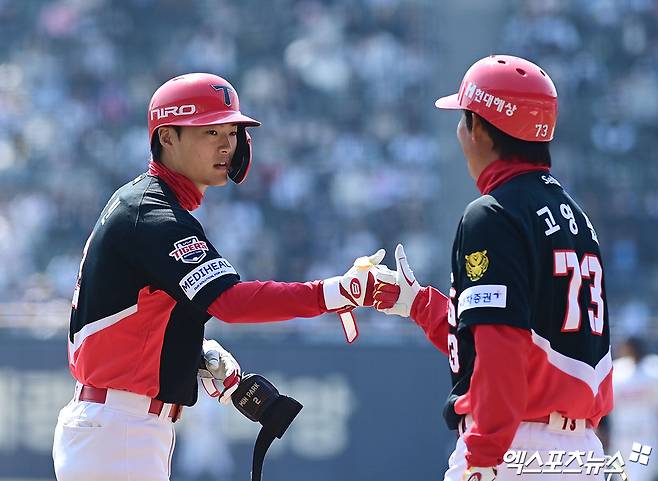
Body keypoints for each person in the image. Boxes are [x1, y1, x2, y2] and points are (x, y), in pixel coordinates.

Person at [52, 72, 383, 481]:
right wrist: (333, 293)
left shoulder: (146, 204)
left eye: (231, 132)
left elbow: (133, 315)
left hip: (118, 426)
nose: (227, 145)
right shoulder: (153, 212)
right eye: (210, 132)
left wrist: (191, 352)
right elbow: (230, 302)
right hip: (118, 428)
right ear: (167, 137)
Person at [373, 55, 614, 480]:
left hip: (514, 449)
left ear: (480, 129)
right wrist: (418, 304)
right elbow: (516, 342)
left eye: (463, 119)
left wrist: (484, 454)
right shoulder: (575, 215)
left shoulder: (492, 214)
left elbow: (502, 349)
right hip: (581, 454)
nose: (459, 132)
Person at [609, 336, 658, 481]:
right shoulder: (618, 370)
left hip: (645, 432)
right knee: (623, 474)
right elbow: (609, 405)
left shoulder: (653, 369)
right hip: (622, 433)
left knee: (643, 473)